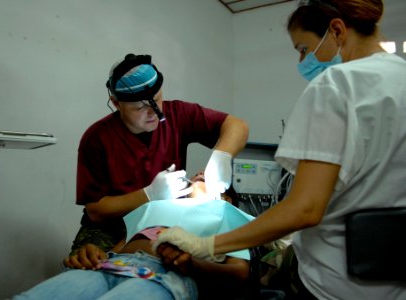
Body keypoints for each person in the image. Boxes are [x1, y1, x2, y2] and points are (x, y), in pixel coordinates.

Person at [153, 1, 406, 299]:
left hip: (335, 284)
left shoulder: (335, 85)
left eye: (302, 48)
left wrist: (205, 245)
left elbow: (304, 209)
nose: (301, 60)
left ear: (336, 30)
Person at [66, 53, 249, 268]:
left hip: (159, 222)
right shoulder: (97, 139)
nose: (154, 113)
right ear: (116, 103)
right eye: (140, 107)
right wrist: (149, 195)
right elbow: (96, 211)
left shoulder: (178, 114)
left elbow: (237, 126)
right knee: (86, 269)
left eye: (158, 99)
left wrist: (221, 157)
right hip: (110, 226)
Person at [12, 177, 252, 300]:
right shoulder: (155, 206)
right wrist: (91, 255)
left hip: (164, 277)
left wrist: (192, 264)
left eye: (207, 177)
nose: (200, 174)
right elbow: (117, 249)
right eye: (197, 174)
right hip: (109, 267)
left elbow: (240, 272)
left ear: (226, 197)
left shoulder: (226, 211)